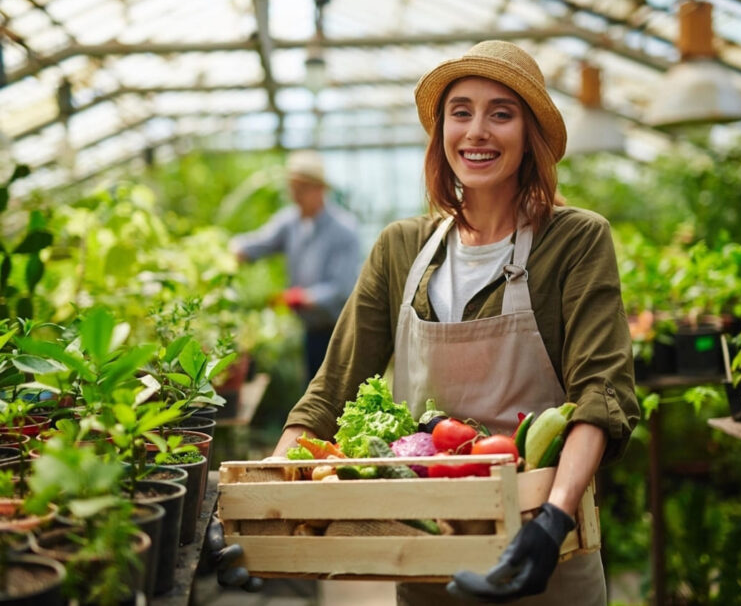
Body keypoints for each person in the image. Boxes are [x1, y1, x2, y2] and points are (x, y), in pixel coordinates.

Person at [214, 40, 639, 604]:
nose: (477, 131)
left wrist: (554, 519)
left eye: (501, 113)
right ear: (441, 131)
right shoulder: (400, 248)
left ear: (530, 133)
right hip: (424, 552)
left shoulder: (575, 240)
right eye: (460, 112)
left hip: (541, 551)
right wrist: (264, 507)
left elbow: (601, 394)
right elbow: (328, 394)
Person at [229, 150, 361, 383]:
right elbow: (261, 243)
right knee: (313, 386)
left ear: (319, 189)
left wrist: (303, 297)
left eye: (301, 189)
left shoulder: (344, 230)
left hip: (340, 331)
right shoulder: (290, 222)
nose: (295, 196)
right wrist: (231, 249)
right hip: (311, 329)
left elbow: (342, 287)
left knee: (337, 390)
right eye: (292, 188)